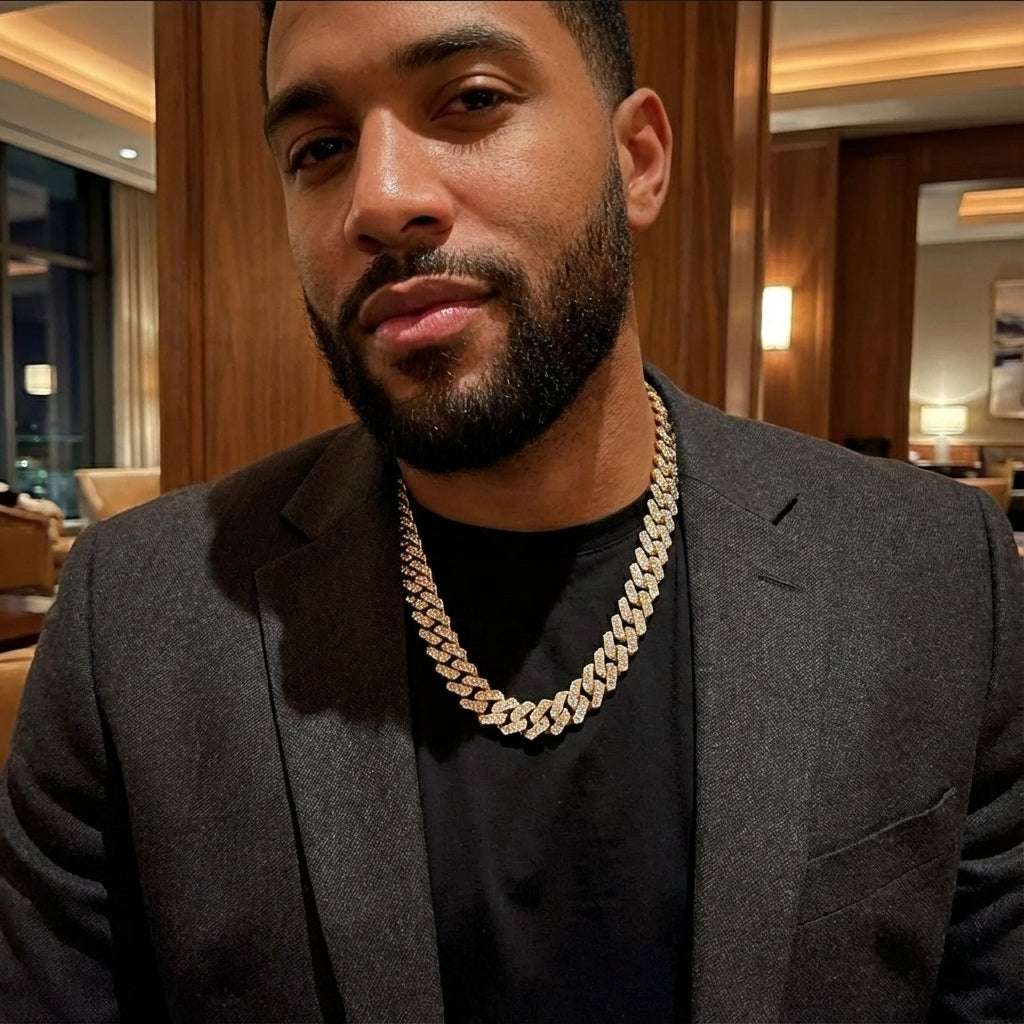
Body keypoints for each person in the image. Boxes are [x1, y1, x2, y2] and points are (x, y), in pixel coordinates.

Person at [1, 2, 1020, 1020]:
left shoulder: (928, 573)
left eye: (472, 100)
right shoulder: (136, 620)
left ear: (639, 160)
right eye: (319, 147)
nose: (382, 198)